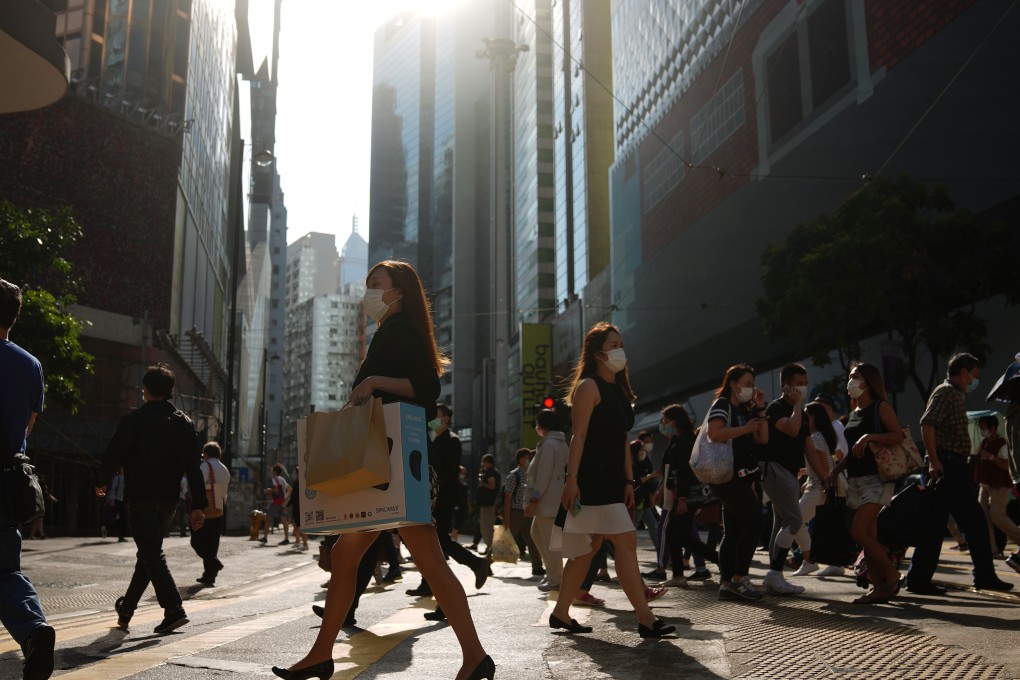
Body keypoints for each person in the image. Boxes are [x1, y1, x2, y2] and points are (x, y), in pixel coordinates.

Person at [275, 260, 491, 680]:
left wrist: (374, 384)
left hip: (391, 464)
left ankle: (474, 655)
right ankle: (323, 652)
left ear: (399, 292)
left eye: (377, 284)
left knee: (419, 560)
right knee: (359, 555)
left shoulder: (399, 330)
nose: (369, 292)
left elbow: (427, 389)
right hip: (392, 462)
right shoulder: (392, 331)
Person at [548, 322, 675, 639]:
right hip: (590, 478)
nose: (620, 350)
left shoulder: (619, 390)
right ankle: (646, 619)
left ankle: (561, 613)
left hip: (613, 480)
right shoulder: (588, 386)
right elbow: (577, 436)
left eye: (621, 344)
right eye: (613, 344)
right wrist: (571, 479)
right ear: (598, 353)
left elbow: (622, 439)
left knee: (588, 550)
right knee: (623, 542)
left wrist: (629, 482)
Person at [96, 363, 208, 634]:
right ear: (170, 391)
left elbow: (115, 452)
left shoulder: (135, 420)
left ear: (144, 391)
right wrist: (199, 505)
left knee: (151, 553)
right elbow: (194, 467)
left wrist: (102, 480)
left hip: (141, 496)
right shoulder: (185, 424)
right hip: (169, 500)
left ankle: (173, 608)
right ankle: (126, 609)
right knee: (148, 554)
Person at [905, 353, 1013, 594]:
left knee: (975, 522)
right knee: (935, 525)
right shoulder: (945, 392)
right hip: (945, 464)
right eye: (974, 376)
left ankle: (984, 576)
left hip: (956, 467)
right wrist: (933, 461)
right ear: (963, 373)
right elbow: (927, 423)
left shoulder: (955, 394)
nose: (975, 381)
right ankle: (918, 580)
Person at [0, 278, 56, 679]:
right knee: (5, 571)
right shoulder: (30, 364)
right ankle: (35, 630)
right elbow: (28, 426)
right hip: (7, 481)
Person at [825, 362, 905, 603]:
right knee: (868, 536)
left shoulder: (881, 407)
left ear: (868, 381)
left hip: (878, 478)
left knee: (858, 531)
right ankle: (879, 589)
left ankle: (891, 573)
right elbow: (853, 452)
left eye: (855, 376)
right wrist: (835, 470)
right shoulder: (854, 413)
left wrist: (870, 436)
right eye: (850, 376)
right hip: (857, 480)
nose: (850, 381)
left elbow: (898, 436)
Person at [419, 402, 491, 621]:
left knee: (440, 545)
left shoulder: (452, 440)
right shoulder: (433, 438)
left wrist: (433, 494)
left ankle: (476, 564)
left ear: (446, 418)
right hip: (434, 498)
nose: (433, 419)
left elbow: (447, 473)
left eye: (437, 415)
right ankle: (446, 603)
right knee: (438, 548)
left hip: (442, 499)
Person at [760, 363, 826, 596]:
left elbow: (809, 450)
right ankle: (775, 575)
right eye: (799, 383)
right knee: (794, 520)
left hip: (788, 472)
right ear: (786, 386)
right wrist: (797, 404)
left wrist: (826, 477)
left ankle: (774, 575)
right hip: (774, 469)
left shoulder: (802, 414)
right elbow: (790, 429)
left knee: (782, 523)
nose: (803, 387)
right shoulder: (775, 408)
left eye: (806, 383)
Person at [706, 363, 769, 601]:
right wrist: (744, 429)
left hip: (741, 476)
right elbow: (714, 433)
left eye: (752, 384)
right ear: (733, 384)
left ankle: (726, 583)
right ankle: (739, 578)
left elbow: (762, 438)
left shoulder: (746, 410)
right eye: (746, 384)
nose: (750, 389)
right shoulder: (722, 405)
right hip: (725, 475)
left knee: (733, 530)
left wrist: (760, 408)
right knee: (756, 521)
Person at [656, 404, 719, 587]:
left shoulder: (685, 441)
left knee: (681, 536)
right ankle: (678, 575)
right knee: (673, 533)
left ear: (675, 421)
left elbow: (685, 471)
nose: (663, 424)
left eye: (666, 421)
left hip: (685, 495)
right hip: (679, 494)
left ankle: (720, 560)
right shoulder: (677, 438)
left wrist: (682, 498)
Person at [791, 401, 841, 577]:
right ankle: (835, 564)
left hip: (819, 487)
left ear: (812, 417)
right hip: (819, 485)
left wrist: (824, 480)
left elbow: (821, 462)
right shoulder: (820, 436)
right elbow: (823, 462)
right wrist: (808, 473)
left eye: (805, 413)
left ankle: (809, 560)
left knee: (794, 521)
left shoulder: (815, 437)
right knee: (824, 525)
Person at [526, 408, 568, 592]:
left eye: (537, 423)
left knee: (549, 541)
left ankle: (556, 577)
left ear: (544, 425)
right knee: (538, 534)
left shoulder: (549, 445)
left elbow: (542, 475)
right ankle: (553, 573)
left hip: (546, 501)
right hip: (552, 500)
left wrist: (534, 499)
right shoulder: (558, 443)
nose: (536, 427)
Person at [975, 415, 1020, 571]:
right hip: (985, 485)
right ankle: (993, 551)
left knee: (997, 515)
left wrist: (990, 457)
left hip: (999, 486)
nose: (982, 431)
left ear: (993, 428)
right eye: (980, 428)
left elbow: (1006, 465)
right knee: (983, 519)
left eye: (984, 428)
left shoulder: (1002, 444)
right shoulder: (984, 443)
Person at [192, 442, 229, 585]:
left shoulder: (206, 466)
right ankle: (209, 575)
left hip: (205, 509)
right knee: (212, 544)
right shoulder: (224, 469)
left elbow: (199, 484)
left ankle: (214, 564)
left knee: (197, 541)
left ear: (206, 454)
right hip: (219, 509)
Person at [503, 448, 544, 576]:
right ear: (521, 460)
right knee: (505, 540)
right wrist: (507, 518)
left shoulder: (530, 475)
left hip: (528, 512)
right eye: (527, 458)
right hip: (516, 513)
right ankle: (486, 563)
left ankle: (537, 566)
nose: (529, 460)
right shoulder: (514, 475)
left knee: (533, 539)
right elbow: (507, 498)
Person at [630, 431, 661, 554]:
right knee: (632, 528)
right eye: (642, 448)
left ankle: (661, 554)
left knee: (652, 525)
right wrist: (651, 475)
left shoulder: (644, 460)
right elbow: (638, 480)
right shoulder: (632, 464)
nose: (644, 450)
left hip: (643, 501)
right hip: (637, 501)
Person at [475, 454, 500, 555]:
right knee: (486, 527)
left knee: (486, 527)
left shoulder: (491, 473)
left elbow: (492, 485)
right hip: (488, 504)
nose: (482, 464)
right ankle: (490, 548)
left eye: (483, 462)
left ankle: (490, 548)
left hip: (489, 504)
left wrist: (482, 483)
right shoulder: (491, 472)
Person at [262, 464, 292, 545]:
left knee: (268, 518)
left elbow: (275, 489)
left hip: (276, 502)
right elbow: (290, 489)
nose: (271, 472)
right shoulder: (282, 479)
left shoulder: (274, 479)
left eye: (272, 470)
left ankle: (265, 537)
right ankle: (286, 538)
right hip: (282, 502)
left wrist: (268, 490)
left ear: (275, 472)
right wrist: (284, 498)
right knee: (284, 520)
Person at [105, 468, 129, 542]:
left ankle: (121, 536)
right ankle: (106, 529)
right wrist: (111, 499)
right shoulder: (117, 478)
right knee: (116, 517)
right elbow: (113, 488)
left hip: (123, 500)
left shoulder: (126, 478)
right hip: (117, 500)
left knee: (123, 518)